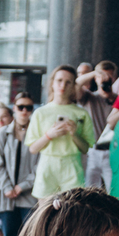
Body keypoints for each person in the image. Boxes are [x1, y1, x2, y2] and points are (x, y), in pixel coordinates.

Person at [28, 66, 98, 198]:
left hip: (72, 165)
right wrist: (49, 135)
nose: (63, 85)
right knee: (46, 213)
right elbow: (33, 148)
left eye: (68, 82)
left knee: (72, 211)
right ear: (52, 83)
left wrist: (74, 134)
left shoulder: (81, 113)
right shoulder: (40, 113)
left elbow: (85, 148)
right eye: (59, 80)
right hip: (47, 165)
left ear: (73, 86)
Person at [0, 100, 39, 236]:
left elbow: (40, 166)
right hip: (6, 195)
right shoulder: (2, 134)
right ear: (15, 109)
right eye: (20, 107)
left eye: (28, 107)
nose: (24, 110)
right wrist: (8, 187)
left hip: (29, 196)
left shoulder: (36, 132)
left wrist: (21, 186)